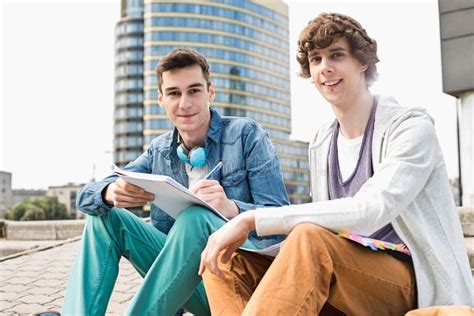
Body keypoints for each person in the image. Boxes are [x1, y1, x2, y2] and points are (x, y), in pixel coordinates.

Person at [199, 13, 473, 315]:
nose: (325, 68)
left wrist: (250, 219)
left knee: (309, 238)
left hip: (413, 283)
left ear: (362, 62)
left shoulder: (410, 127)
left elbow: (371, 209)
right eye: (316, 59)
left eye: (336, 55)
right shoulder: (322, 142)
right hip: (346, 277)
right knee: (227, 262)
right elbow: (330, 226)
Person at [61, 48, 289, 315]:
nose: (185, 103)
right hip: (190, 287)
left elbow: (281, 221)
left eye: (194, 91)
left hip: (244, 282)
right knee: (104, 217)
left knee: (195, 217)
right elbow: (85, 197)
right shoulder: (159, 151)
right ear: (161, 99)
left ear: (210, 93)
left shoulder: (247, 135)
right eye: (174, 93)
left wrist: (232, 209)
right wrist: (110, 192)